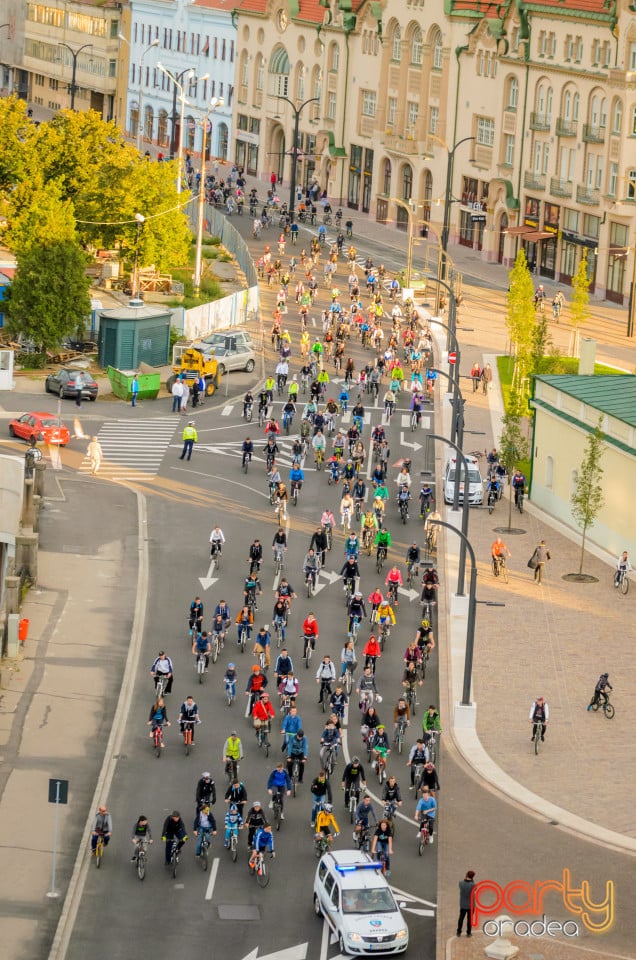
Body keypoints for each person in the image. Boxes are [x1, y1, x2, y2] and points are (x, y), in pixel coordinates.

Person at [457, 870, 477, 937]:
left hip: (463, 904)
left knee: (461, 918)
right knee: (469, 920)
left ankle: (458, 932)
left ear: (466, 875)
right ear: (472, 877)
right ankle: (468, 933)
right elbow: (475, 889)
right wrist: (472, 881)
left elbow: (461, 885)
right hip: (471, 906)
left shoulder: (461, 883)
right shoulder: (473, 885)